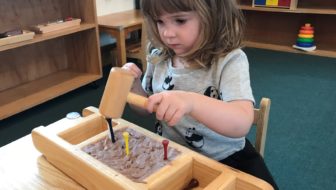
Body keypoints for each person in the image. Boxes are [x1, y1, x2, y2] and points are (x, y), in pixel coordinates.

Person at [121, 0, 278, 189]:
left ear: (212, 15)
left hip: (225, 159)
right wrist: (134, 86)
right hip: (172, 155)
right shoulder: (159, 56)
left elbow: (242, 121)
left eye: (179, 20)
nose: (167, 33)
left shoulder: (229, 60)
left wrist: (191, 101)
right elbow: (144, 108)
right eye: (159, 21)